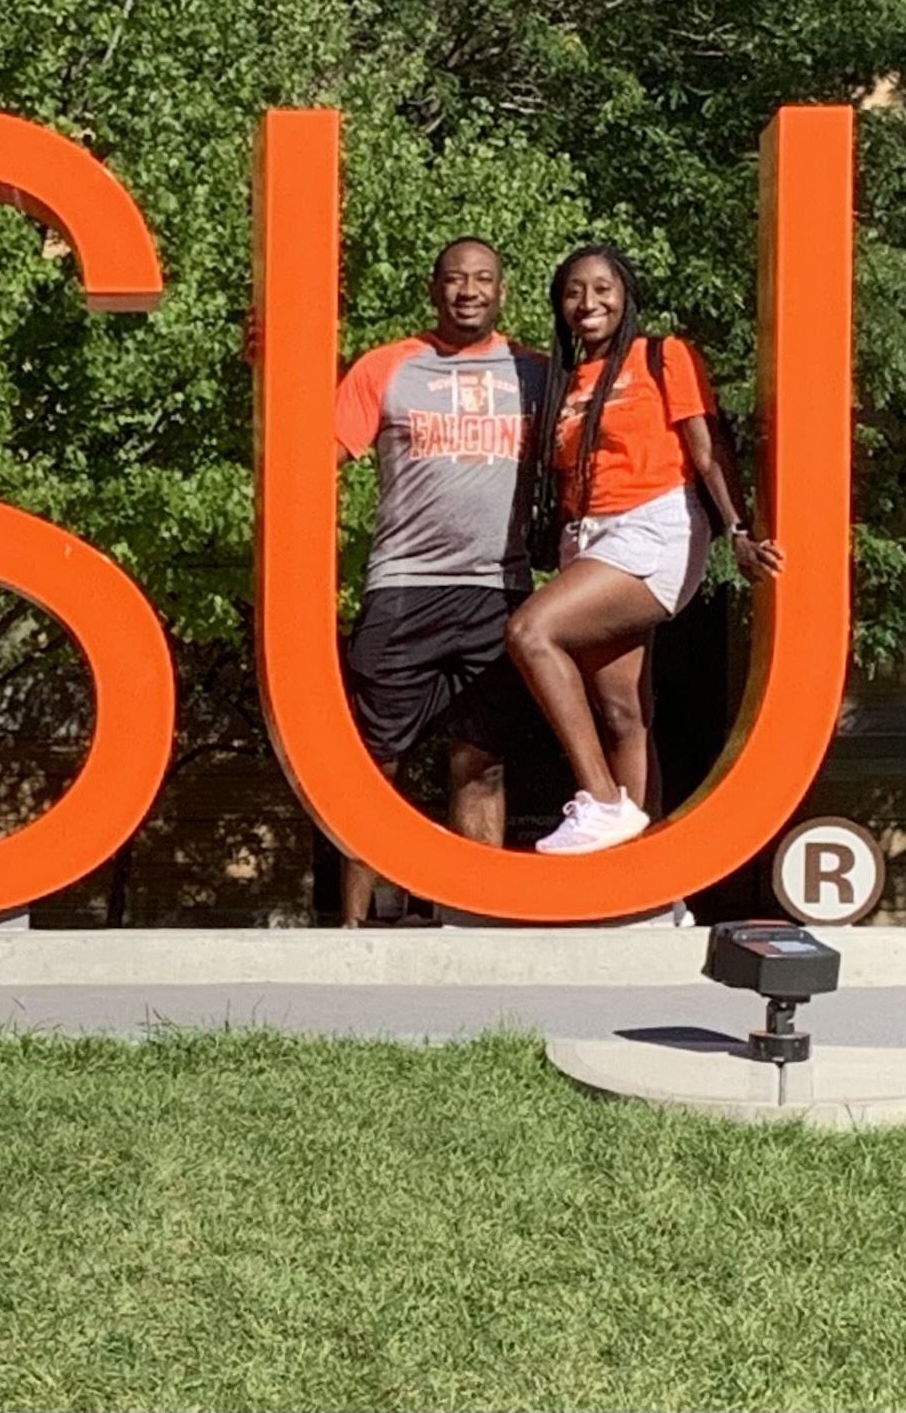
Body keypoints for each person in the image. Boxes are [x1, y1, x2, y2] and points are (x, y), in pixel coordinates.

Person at [506, 246, 782, 854]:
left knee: (531, 632)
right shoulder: (560, 380)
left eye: (602, 289)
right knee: (622, 712)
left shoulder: (663, 355)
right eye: (574, 292)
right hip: (590, 538)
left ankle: (601, 799)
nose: (588, 303)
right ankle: (643, 881)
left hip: (655, 524)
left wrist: (737, 530)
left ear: (625, 295)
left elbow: (706, 452)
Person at [328, 237, 551, 925]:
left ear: (501, 290)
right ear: (433, 290)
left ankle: (473, 924)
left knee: (480, 764)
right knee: (372, 767)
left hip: (497, 589)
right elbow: (313, 452)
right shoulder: (386, 367)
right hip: (402, 585)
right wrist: (264, 359)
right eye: (454, 279)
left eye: (482, 278)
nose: (467, 290)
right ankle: (352, 929)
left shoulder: (536, 373)